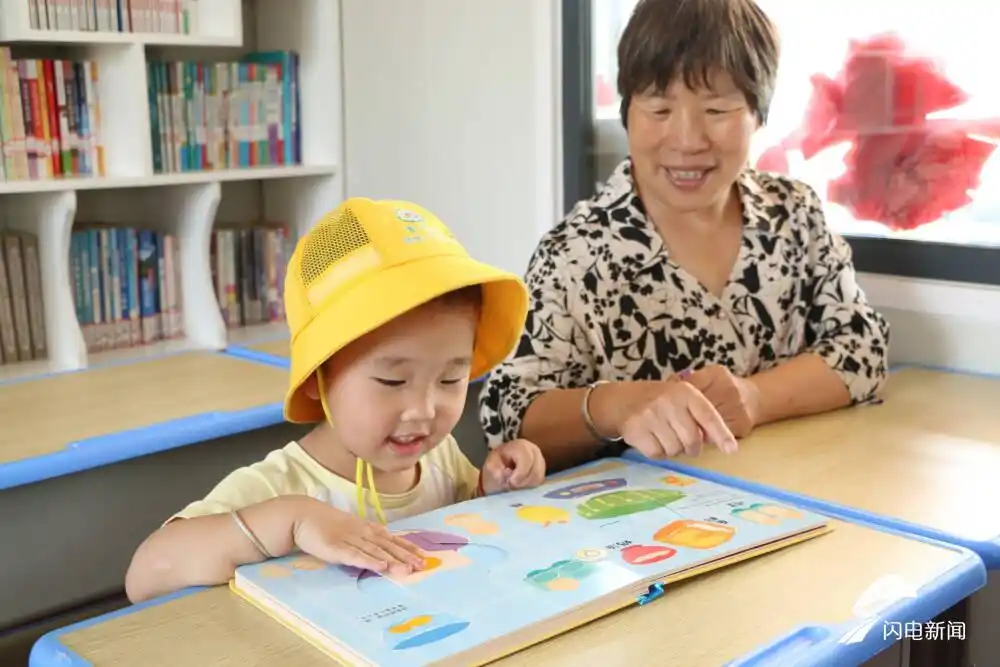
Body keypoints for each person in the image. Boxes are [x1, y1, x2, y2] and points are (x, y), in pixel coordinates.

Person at [479, 0, 890, 472]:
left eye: (716, 109)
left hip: (788, 487)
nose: (687, 140)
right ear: (627, 112)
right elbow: (510, 415)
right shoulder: (575, 252)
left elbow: (863, 346)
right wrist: (617, 406)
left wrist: (755, 398)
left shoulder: (793, 214)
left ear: (758, 114)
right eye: (659, 109)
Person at [126, 198, 545, 603]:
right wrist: (291, 520)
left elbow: (462, 533)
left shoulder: (440, 458)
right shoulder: (280, 486)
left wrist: (493, 486)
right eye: (393, 380)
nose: (424, 409)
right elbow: (144, 576)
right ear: (317, 375)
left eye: (451, 379)